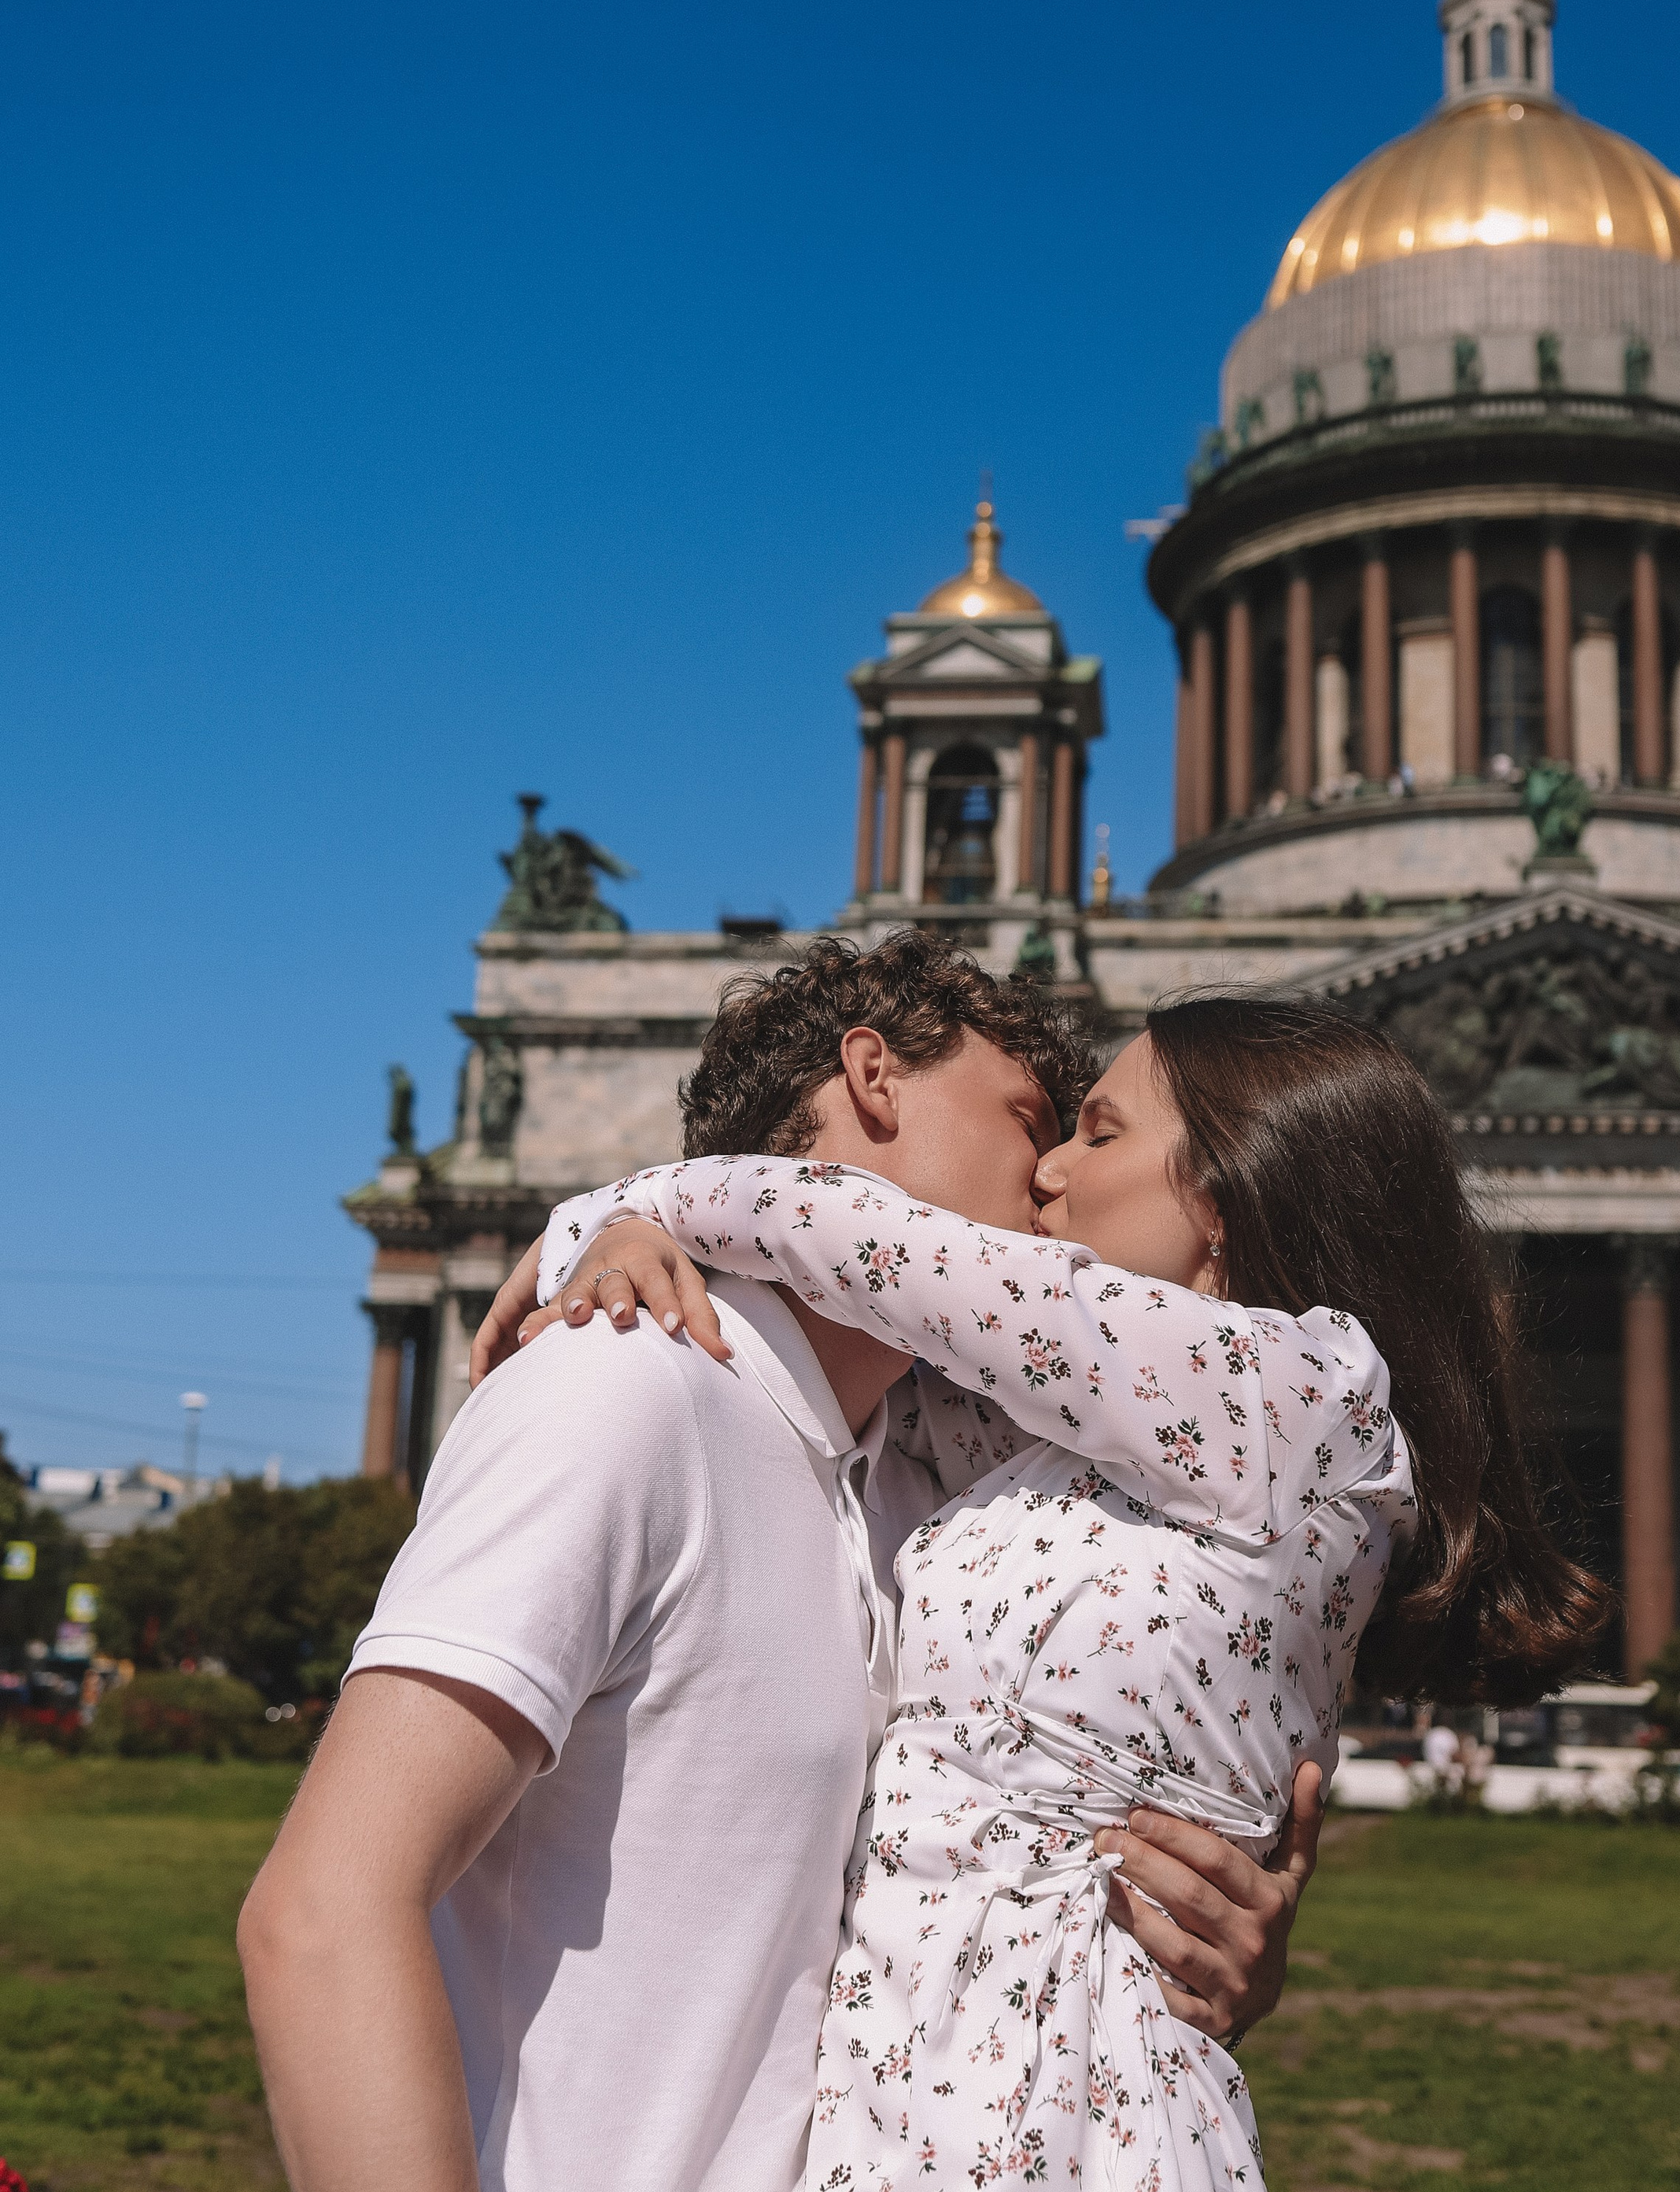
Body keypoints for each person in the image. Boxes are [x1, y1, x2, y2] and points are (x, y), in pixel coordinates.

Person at [239, 935, 1318, 2192]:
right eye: (1031, 1117)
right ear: (873, 1079)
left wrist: (1207, 1940)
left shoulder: (920, 1504)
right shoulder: (625, 1387)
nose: (1052, 1181)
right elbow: (324, 1916)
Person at [503, 990, 1611, 2192]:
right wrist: (636, 1257)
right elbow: (856, 1357)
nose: (1045, 1174)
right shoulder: (1079, 1441)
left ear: (1225, 1196)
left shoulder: (1297, 1392)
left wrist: (625, 1203)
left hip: (1057, 2102)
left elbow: (875, 1249)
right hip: (898, 2090)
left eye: (1096, 1129)